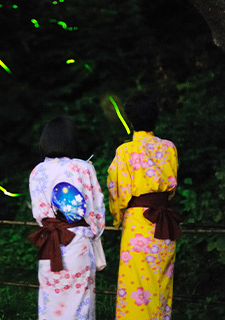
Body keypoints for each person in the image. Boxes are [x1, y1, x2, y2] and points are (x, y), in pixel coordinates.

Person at [107, 95, 182, 320]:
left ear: (130, 120)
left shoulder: (125, 152)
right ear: (155, 118)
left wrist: (117, 216)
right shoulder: (169, 148)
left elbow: (116, 190)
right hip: (164, 223)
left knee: (135, 290)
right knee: (161, 286)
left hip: (138, 226)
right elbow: (170, 190)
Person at [29, 116, 105, 320]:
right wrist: (94, 233)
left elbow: (39, 213)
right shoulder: (82, 167)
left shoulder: (37, 172)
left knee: (51, 304)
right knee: (80, 304)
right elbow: (96, 209)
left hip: (49, 244)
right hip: (77, 242)